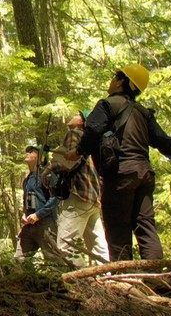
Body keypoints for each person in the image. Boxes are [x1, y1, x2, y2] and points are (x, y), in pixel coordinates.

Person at [67, 65, 171, 261]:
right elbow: (162, 140)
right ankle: (155, 275)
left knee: (118, 229)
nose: (111, 81)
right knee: (145, 225)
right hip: (144, 174)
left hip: (119, 176)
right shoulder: (143, 113)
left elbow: (92, 131)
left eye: (113, 77)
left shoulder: (106, 105)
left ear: (120, 81)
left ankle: (125, 279)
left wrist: (78, 152)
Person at [53, 112, 109, 268]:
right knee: (98, 245)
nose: (73, 115)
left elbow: (71, 161)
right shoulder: (92, 141)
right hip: (93, 199)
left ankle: (82, 281)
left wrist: (51, 168)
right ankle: (108, 278)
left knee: (65, 243)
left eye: (78, 115)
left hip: (78, 195)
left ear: (81, 122)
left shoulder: (74, 133)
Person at [14, 145, 60, 261]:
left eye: (32, 151)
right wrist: (25, 214)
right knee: (20, 259)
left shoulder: (47, 174)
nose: (28, 153)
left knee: (54, 259)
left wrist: (38, 215)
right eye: (27, 151)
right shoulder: (27, 179)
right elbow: (26, 200)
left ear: (39, 157)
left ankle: (64, 278)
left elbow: (56, 197)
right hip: (29, 225)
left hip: (46, 223)